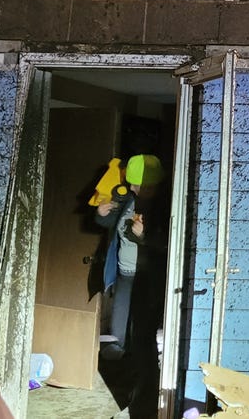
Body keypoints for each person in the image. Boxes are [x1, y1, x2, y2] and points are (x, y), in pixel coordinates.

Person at [91, 153, 166, 362]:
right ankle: (117, 362)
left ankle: (140, 367)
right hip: (125, 272)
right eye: (131, 185)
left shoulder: (163, 209)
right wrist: (102, 214)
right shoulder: (129, 200)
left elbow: (167, 244)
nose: (132, 189)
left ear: (153, 186)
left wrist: (144, 236)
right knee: (119, 322)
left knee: (142, 326)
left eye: (138, 186)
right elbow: (111, 225)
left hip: (146, 276)